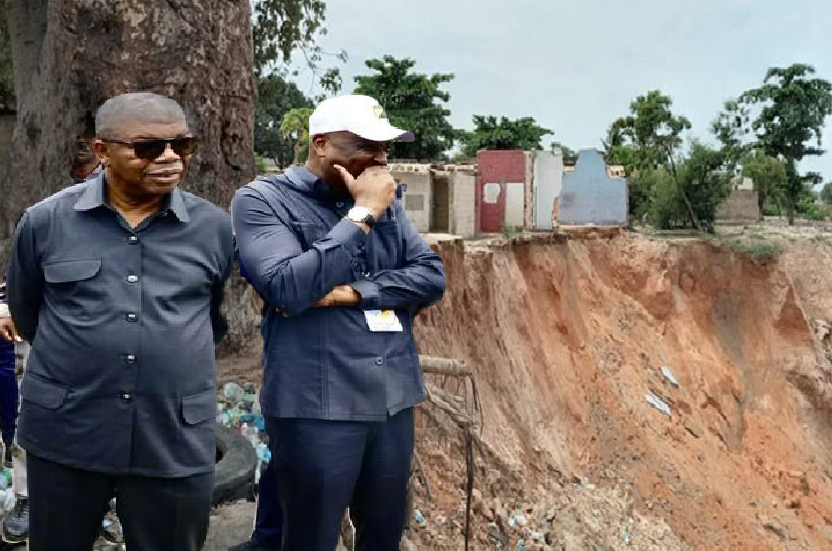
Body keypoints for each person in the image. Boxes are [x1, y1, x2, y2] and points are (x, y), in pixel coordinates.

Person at [6, 92, 235, 551]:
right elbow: (29, 313)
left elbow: (213, 317)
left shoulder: (214, 228)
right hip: (68, 432)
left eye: (182, 145)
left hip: (171, 436)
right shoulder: (46, 222)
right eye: (148, 147)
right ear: (102, 152)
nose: (170, 158)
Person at [231, 94, 446, 551]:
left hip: (391, 401)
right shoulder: (262, 201)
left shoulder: (388, 197)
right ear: (322, 144)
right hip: (316, 407)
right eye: (365, 145)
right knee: (309, 538)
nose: (380, 158)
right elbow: (288, 287)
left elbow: (430, 276)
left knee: (383, 534)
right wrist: (361, 215)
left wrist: (351, 293)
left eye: (385, 147)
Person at [0, 133, 124, 546]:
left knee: (113, 423)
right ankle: (27, 499)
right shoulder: (50, 216)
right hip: (55, 343)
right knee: (34, 419)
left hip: (120, 352)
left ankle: (106, 507)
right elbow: (22, 285)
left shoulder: (152, 221)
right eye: (90, 176)